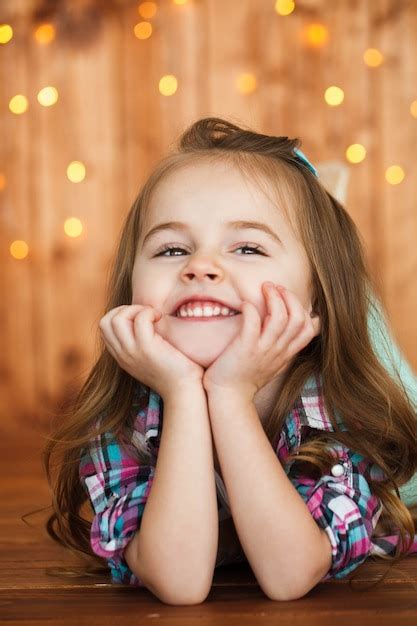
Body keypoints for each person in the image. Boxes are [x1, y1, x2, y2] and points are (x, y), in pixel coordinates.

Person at [42, 117, 417, 604]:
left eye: (247, 247)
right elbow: (179, 583)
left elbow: (290, 575)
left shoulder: (343, 408)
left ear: (316, 300)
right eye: (172, 248)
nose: (200, 266)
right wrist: (182, 391)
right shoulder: (122, 416)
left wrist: (229, 394)